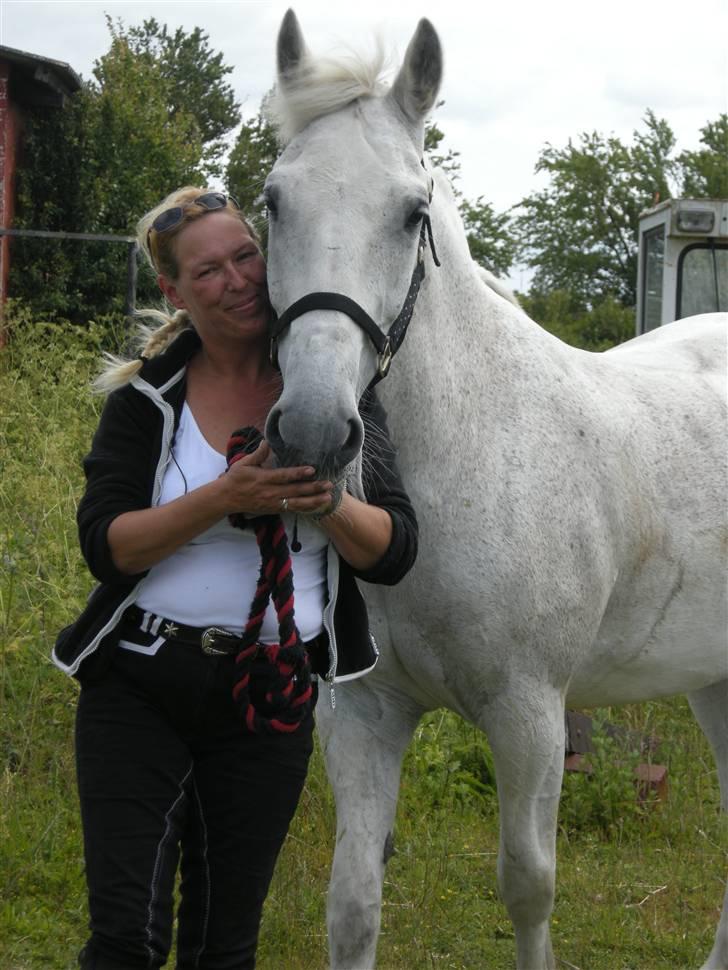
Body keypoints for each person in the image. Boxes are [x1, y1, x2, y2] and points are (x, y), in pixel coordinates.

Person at [53, 187, 418, 970]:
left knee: (225, 944)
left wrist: (328, 504)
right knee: (127, 940)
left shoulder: (331, 394)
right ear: (175, 292)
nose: (238, 278)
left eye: (245, 255)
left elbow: (393, 548)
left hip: (270, 697)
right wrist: (226, 496)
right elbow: (106, 546)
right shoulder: (149, 397)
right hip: (141, 685)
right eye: (209, 270)